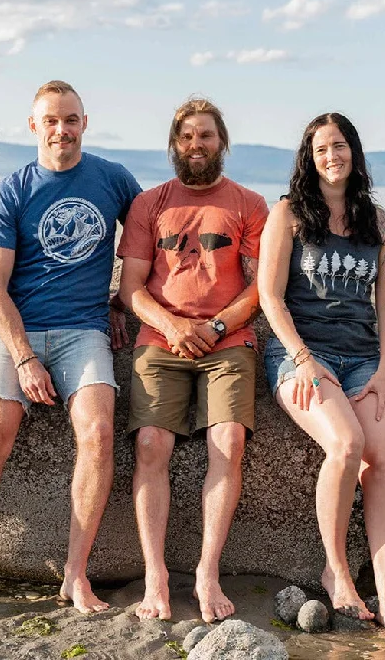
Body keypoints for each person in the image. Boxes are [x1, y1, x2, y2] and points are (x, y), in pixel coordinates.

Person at [0, 80, 141, 622]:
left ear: (84, 122)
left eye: (70, 119)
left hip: (83, 331)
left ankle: (75, 576)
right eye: (51, 121)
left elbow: (149, 243)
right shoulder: (15, 189)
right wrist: (23, 355)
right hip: (17, 332)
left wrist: (124, 303)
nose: (62, 130)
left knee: (97, 433)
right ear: (34, 128)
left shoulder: (113, 179)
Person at [117, 97, 268, 623]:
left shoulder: (249, 204)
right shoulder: (150, 204)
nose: (196, 145)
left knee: (227, 440)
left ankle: (207, 571)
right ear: (174, 144)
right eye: (186, 136)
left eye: (205, 135)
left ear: (221, 142)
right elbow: (131, 288)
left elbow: (259, 288)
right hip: (161, 341)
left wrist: (216, 326)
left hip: (228, 341)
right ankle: (155, 573)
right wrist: (175, 325)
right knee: (151, 443)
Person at [257, 112, 385, 634]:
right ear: (309, 158)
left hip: (363, 357)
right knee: (345, 444)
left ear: (354, 152)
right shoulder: (290, 214)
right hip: (300, 354)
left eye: (339, 146)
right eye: (321, 149)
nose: (331, 157)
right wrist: (301, 356)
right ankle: (336, 569)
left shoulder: (380, 222)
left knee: (380, 459)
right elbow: (269, 297)